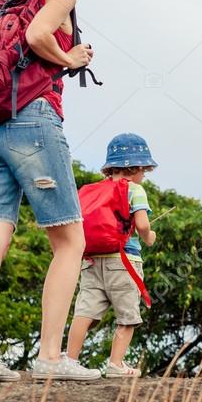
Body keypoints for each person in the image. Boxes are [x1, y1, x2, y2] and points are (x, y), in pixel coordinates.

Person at [0, 0, 100, 382]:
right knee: (69, 241)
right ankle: (50, 358)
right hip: (33, 122)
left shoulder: (6, 4)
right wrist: (69, 58)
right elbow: (41, 34)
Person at [66, 134, 158, 378]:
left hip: (92, 261)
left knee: (84, 312)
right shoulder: (135, 189)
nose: (144, 175)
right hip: (123, 261)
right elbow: (142, 224)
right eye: (144, 171)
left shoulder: (94, 190)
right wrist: (149, 237)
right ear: (136, 168)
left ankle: (70, 360)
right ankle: (116, 365)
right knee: (127, 316)